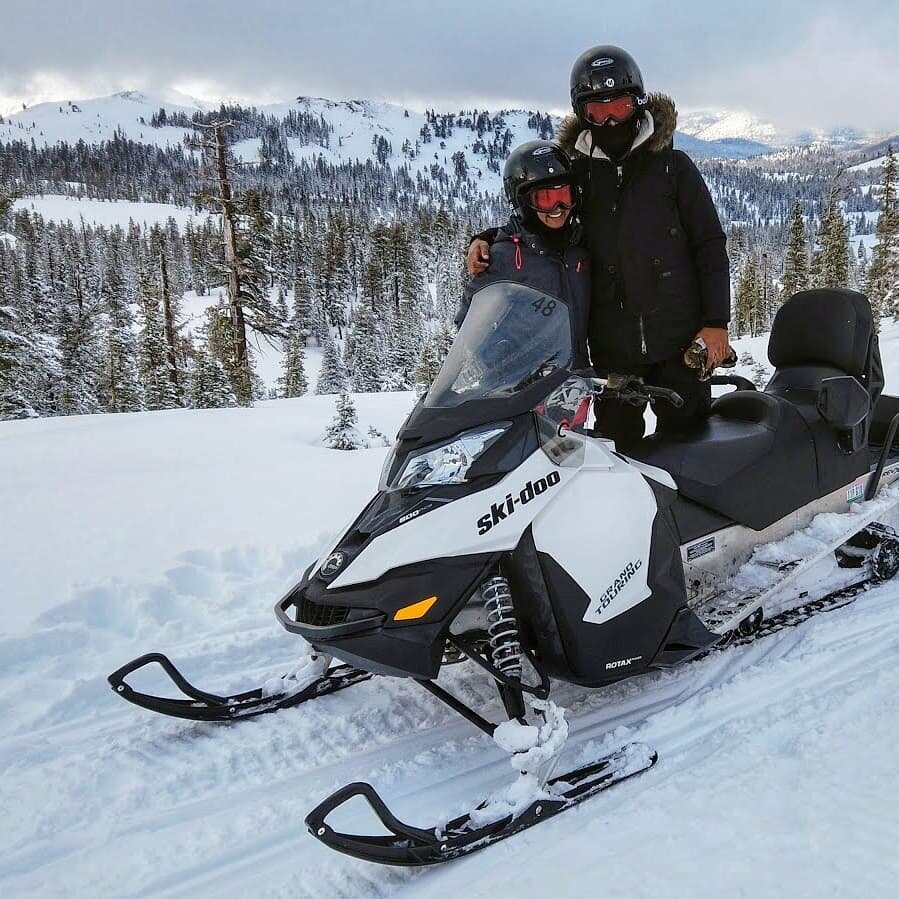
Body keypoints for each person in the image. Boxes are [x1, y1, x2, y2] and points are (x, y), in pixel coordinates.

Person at [468, 45, 732, 452]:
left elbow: (710, 245)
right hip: (613, 349)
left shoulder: (673, 168)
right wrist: (487, 239)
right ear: (582, 114)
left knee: (692, 447)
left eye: (620, 106)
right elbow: (544, 217)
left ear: (638, 103)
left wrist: (717, 322)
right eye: (597, 111)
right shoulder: (580, 172)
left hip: (681, 342)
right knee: (615, 455)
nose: (610, 119)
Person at [456, 139, 591, 371]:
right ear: (524, 202)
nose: (558, 209)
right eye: (546, 200)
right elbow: (470, 321)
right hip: (522, 388)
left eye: (564, 197)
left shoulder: (581, 248)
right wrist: (499, 361)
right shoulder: (504, 256)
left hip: (573, 381)